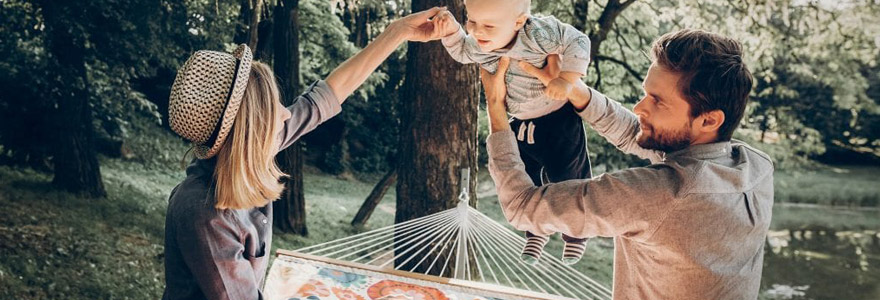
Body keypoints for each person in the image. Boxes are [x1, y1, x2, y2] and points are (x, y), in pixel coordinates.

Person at [161, 7, 454, 300]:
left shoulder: (248, 150)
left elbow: (327, 95)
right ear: (253, 129)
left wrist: (397, 32)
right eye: (274, 107)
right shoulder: (203, 214)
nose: (286, 114)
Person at [482, 29, 773, 299]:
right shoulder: (757, 167)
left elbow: (522, 206)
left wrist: (496, 110)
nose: (639, 108)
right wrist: (573, 89)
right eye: (646, 94)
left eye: (657, 101)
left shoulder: (656, 195)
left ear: (709, 119)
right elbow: (635, 134)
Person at [433, 0, 593, 265]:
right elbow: (461, 50)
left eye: (488, 25)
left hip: (557, 119)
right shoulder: (478, 43)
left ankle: (576, 233)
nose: (476, 31)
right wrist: (451, 31)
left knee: (568, 176)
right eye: (471, 21)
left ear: (519, 22)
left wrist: (567, 78)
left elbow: (578, 40)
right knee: (527, 179)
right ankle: (536, 232)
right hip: (520, 122)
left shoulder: (539, 33)